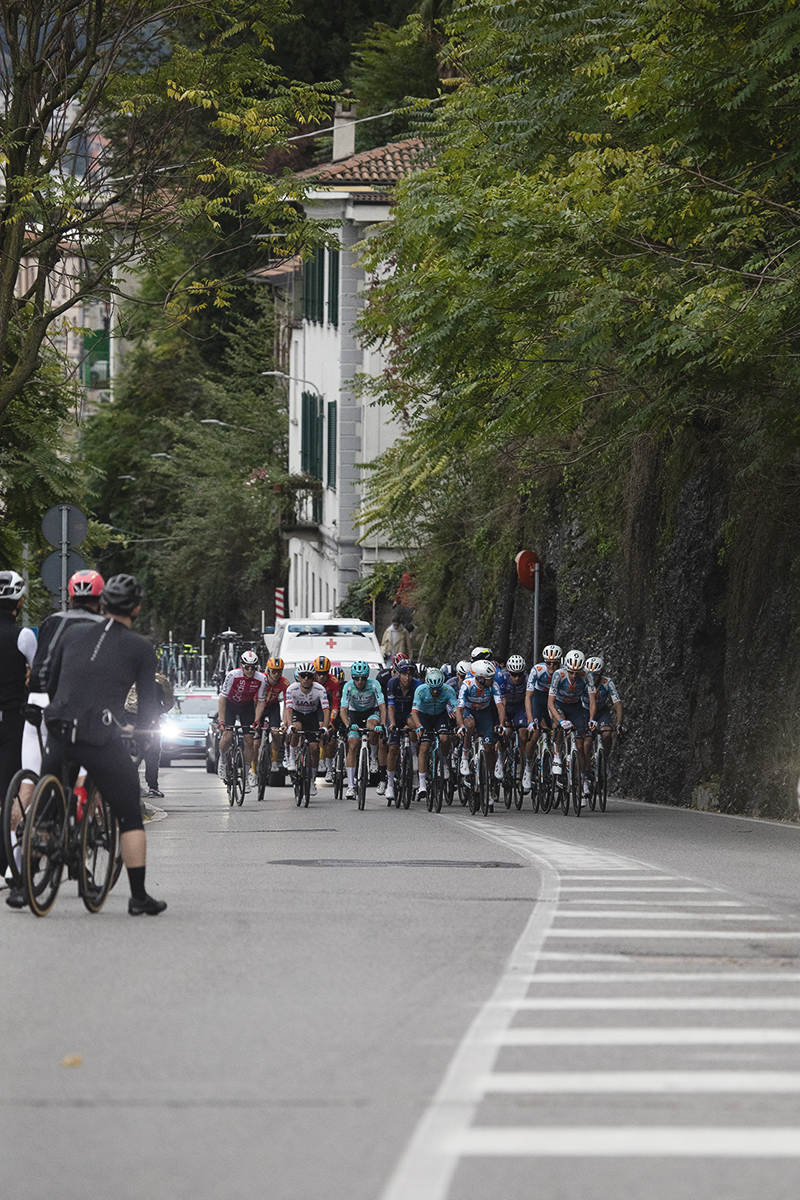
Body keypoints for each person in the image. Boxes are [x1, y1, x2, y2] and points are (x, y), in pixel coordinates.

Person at [36, 574, 166, 915]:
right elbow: (149, 705)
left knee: (47, 804)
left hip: (60, 728)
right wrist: (141, 732)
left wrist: (60, 711)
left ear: (102, 603)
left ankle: (26, 882)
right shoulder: (140, 648)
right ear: (137, 608)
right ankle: (139, 897)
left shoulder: (72, 633)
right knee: (129, 813)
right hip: (100, 736)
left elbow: (51, 681)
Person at [0, 571, 36, 890]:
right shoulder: (23, 636)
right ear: (19, 601)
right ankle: (10, 863)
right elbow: (40, 676)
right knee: (12, 788)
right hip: (13, 719)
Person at [548, 648, 596, 799]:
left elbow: (592, 700)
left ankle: (583, 780)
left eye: (577, 672)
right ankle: (557, 755)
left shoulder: (587, 675)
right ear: (566, 669)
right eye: (571, 672)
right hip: (560, 705)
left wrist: (592, 718)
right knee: (559, 726)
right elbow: (550, 703)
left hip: (576, 707)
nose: (574, 676)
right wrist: (561, 720)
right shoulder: (558, 674)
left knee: (581, 746)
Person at [455, 660, 505, 798]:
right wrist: (461, 727)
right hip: (469, 711)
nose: (493, 679)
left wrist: (501, 725)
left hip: (484, 713)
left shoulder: (493, 685)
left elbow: (500, 706)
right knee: (469, 725)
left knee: (489, 749)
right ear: (481, 678)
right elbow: (459, 709)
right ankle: (465, 755)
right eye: (490, 677)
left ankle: (488, 779)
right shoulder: (467, 685)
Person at [217, 650, 266, 791]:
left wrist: (257, 720)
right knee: (227, 736)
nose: (250, 670)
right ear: (241, 665)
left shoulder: (261, 678)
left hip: (247, 707)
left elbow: (261, 701)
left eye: (253, 667)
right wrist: (221, 721)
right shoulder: (232, 675)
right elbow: (222, 698)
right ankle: (223, 759)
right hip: (231, 706)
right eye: (247, 667)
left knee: (249, 740)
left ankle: (245, 776)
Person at [408, 668, 458, 803]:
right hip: (424, 716)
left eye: (438, 689)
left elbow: (456, 709)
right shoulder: (421, 690)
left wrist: (460, 725)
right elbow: (414, 713)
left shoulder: (448, 690)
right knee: (424, 746)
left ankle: (444, 761)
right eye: (432, 689)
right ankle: (422, 784)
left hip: (440, 716)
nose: (435, 692)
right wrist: (419, 727)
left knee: (445, 738)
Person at [339, 663, 386, 802]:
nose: (360, 681)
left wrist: (382, 724)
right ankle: (351, 786)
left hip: (371, 712)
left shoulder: (374, 684)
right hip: (354, 715)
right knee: (352, 745)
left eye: (363, 678)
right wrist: (348, 725)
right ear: (352, 677)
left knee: (372, 726)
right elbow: (343, 709)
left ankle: (372, 757)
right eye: (357, 678)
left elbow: (382, 706)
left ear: (367, 678)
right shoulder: (348, 686)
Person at [523, 644, 563, 790]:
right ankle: (527, 768)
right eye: (548, 663)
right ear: (544, 662)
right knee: (535, 734)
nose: (551, 666)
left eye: (555, 663)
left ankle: (556, 756)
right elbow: (528, 696)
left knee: (557, 727)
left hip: (554, 699)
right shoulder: (537, 670)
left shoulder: (564, 671)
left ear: (560, 662)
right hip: (538, 700)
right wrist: (530, 719)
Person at [284, 662, 329, 787]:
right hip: (297, 714)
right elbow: (288, 709)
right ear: (298, 677)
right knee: (296, 728)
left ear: (313, 677)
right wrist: (289, 726)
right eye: (303, 675)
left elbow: (325, 710)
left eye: (309, 676)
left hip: (312, 716)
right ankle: (292, 758)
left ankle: (312, 779)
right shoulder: (291, 689)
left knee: (314, 749)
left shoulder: (319, 689)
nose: (306, 679)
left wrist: (325, 726)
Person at [386, 659, 423, 800]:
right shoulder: (392, 683)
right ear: (399, 674)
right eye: (404, 674)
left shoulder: (417, 685)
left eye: (410, 674)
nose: (407, 678)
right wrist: (393, 724)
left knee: (414, 726)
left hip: (409, 713)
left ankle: (413, 768)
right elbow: (390, 705)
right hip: (395, 714)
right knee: (393, 748)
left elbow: (417, 708)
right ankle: (389, 784)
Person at [584, 655, 624, 753]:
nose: (592, 677)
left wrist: (619, 723)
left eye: (596, 674)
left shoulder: (607, 682)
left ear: (601, 674)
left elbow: (617, 704)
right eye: (589, 674)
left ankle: (604, 760)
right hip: (585, 711)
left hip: (602, 711)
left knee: (607, 734)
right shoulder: (583, 681)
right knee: (586, 741)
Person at [257, 656, 289, 779]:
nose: (276, 674)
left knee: (276, 733)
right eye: (273, 671)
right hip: (258, 706)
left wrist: (285, 722)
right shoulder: (261, 679)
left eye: (279, 671)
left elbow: (287, 704)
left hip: (272, 707)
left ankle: (274, 761)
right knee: (255, 740)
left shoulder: (284, 682)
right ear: (268, 670)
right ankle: (253, 769)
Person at [313, 655, 341, 785]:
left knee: (328, 730)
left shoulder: (334, 681)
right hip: (314, 705)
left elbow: (335, 704)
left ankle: (328, 766)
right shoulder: (310, 679)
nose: (321, 677)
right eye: (319, 674)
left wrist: (331, 721)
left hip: (328, 705)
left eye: (324, 674)